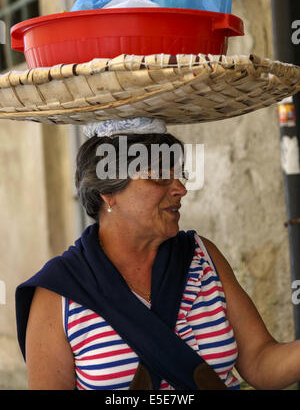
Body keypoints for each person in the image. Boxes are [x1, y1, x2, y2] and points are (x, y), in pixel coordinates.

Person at [16, 117, 300, 391]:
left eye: (179, 174)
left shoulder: (202, 258)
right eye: (160, 175)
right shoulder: (59, 294)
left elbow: (261, 362)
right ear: (108, 191)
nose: (181, 189)